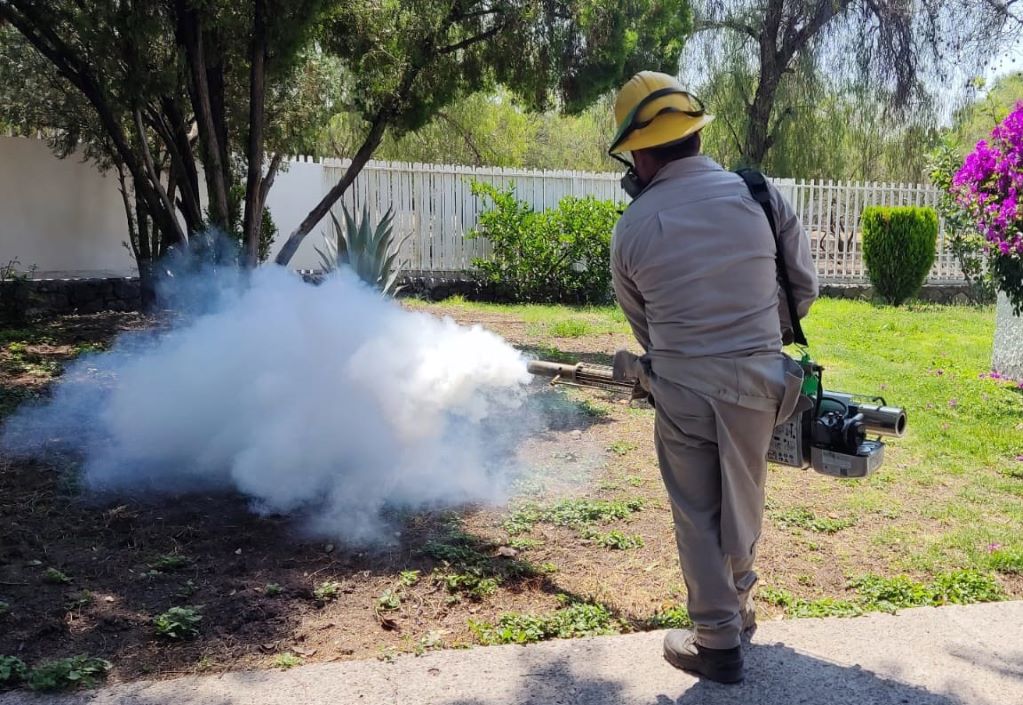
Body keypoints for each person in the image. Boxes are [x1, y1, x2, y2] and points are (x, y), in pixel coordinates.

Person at [608, 71, 818, 684]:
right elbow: (800, 286)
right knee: (743, 497)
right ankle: (740, 608)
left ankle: (718, 640)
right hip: (760, 382)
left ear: (640, 152)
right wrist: (753, 340)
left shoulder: (633, 227)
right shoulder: (757, 194)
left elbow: (643, 323)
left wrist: (687, 359)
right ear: (696, 135)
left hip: (681, 387)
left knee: (697, 511)